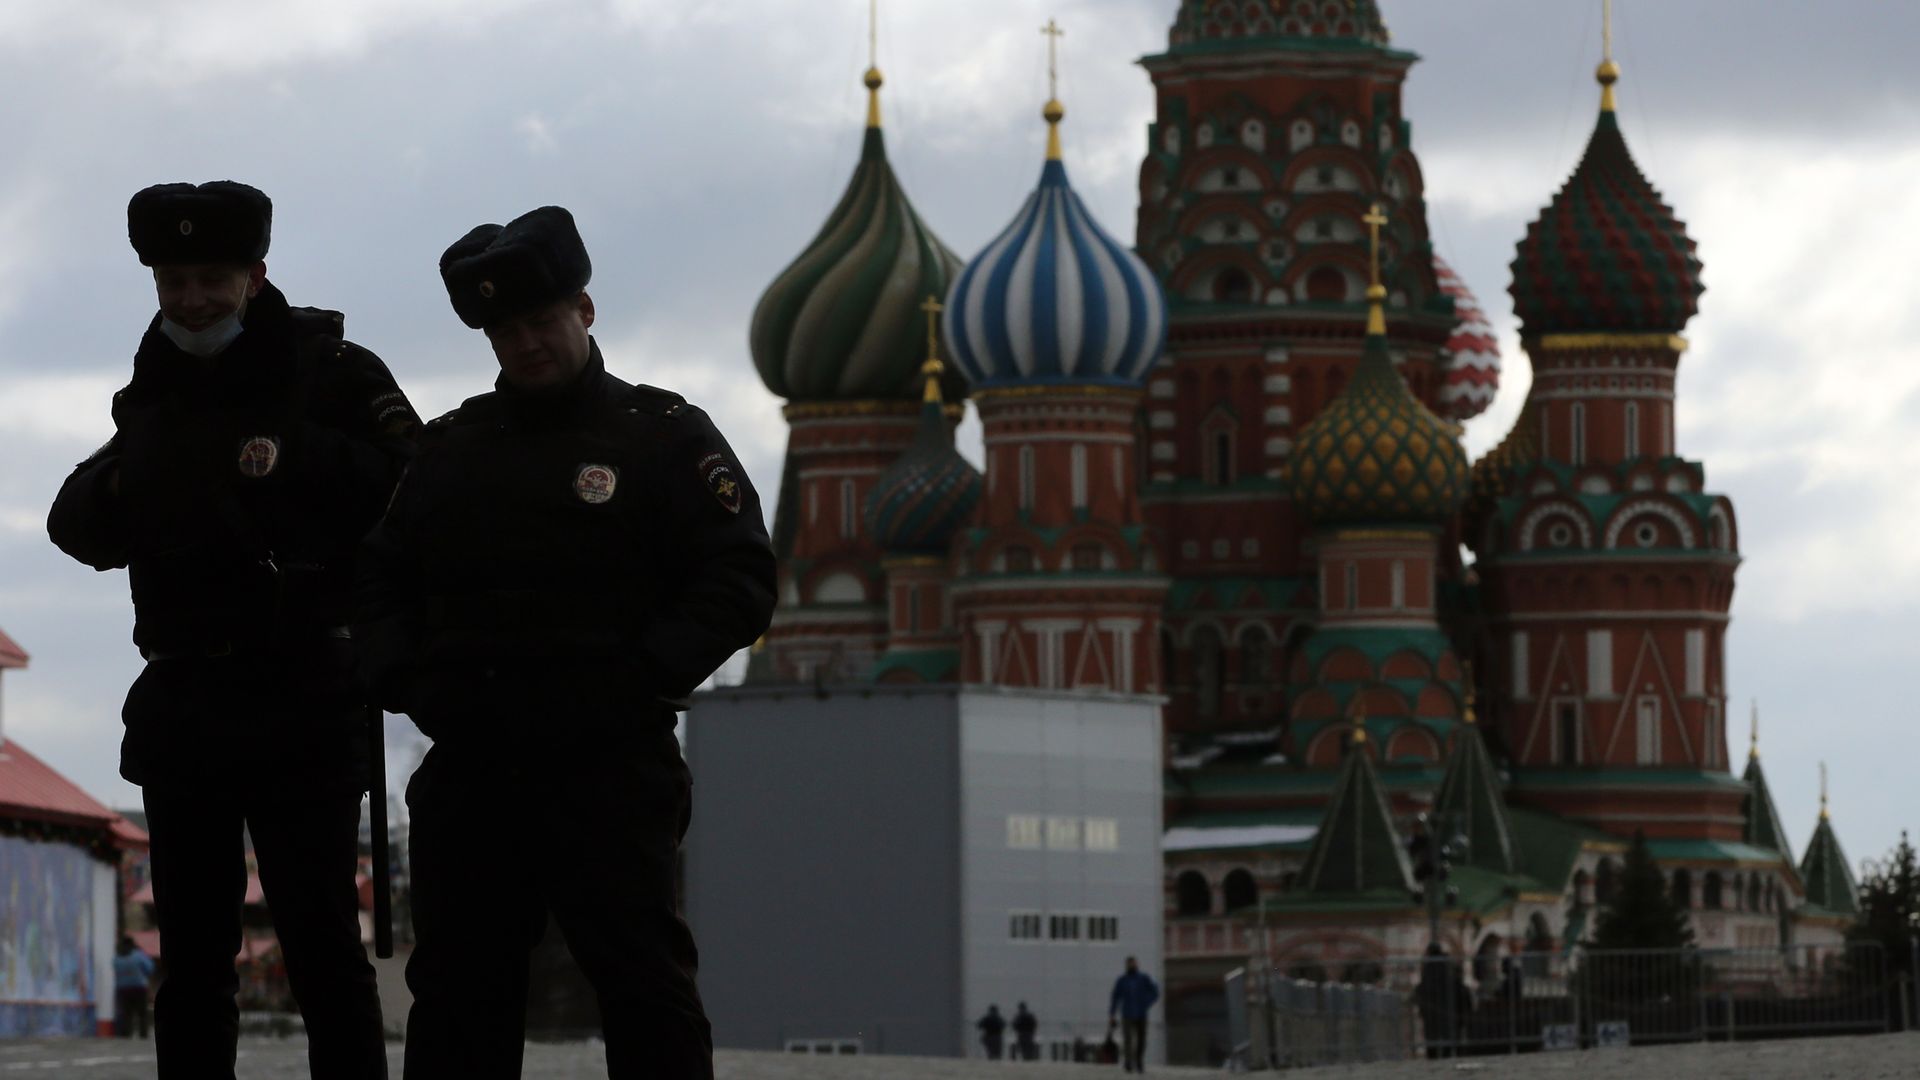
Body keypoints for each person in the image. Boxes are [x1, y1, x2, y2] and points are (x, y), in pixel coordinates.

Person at [355, 206, 776, 1080]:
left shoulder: (661, 436)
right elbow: (378, 583)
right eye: (504, 330)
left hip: (610, 766)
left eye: (541, 321)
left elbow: (738, 577)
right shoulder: (449, 451)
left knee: (645, 989)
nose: (525, 344)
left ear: (584, 311)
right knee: (461, 1000)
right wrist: (415, 685)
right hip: (474, 767)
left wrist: (639, 679)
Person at [48, 181, 408, 1080]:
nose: (194, 299)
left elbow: (415, 490)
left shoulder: (331, 370)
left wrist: (294, 455)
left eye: (213, 278)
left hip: (304, 697)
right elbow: (79, 525)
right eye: (174, 280)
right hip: (187, 704)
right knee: (195, 966)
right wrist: (131, 484)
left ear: (256, 274)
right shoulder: (154, 385)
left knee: (326, 952)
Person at [1108, 956, 1160, 1073]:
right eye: (1129, 964)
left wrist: (1147, 1002)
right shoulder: (1122, 980)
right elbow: (1115, 997)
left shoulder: (1144, 978)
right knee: (1128, 1040)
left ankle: (1139, 1061)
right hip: (1127, 1014)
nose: (1132, 966)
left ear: (1137, 964)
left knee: (1142, 1040)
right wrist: (1112, 1014)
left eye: (1133, 963)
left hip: (1141, 1014)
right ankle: (1128, 1062)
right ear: (1126, 965)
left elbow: (1155, 991)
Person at [112, 937, 155, 1038]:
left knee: (126, 1013)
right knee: (142, 1013)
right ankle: (143, 1034)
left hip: (122, 989)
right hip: (139, 988)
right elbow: (150, 967)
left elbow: (115, 969)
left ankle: (126, 1034)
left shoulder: (117, 957)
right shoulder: (138, 955)